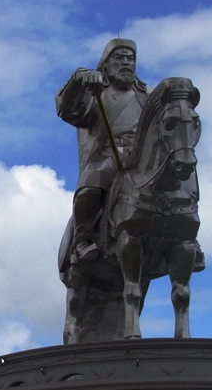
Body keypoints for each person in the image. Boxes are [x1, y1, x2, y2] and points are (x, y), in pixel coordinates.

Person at [56, 39, 149, 262]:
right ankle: (82, 239)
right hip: (109, 155)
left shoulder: (149, 95)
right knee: (92, 181)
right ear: (105, 64)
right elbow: (67, 110)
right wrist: (78, 81)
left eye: (130, 58)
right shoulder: (95, 92)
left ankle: (186, 238)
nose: (126, 63)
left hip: (144, 158)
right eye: (119, 58)